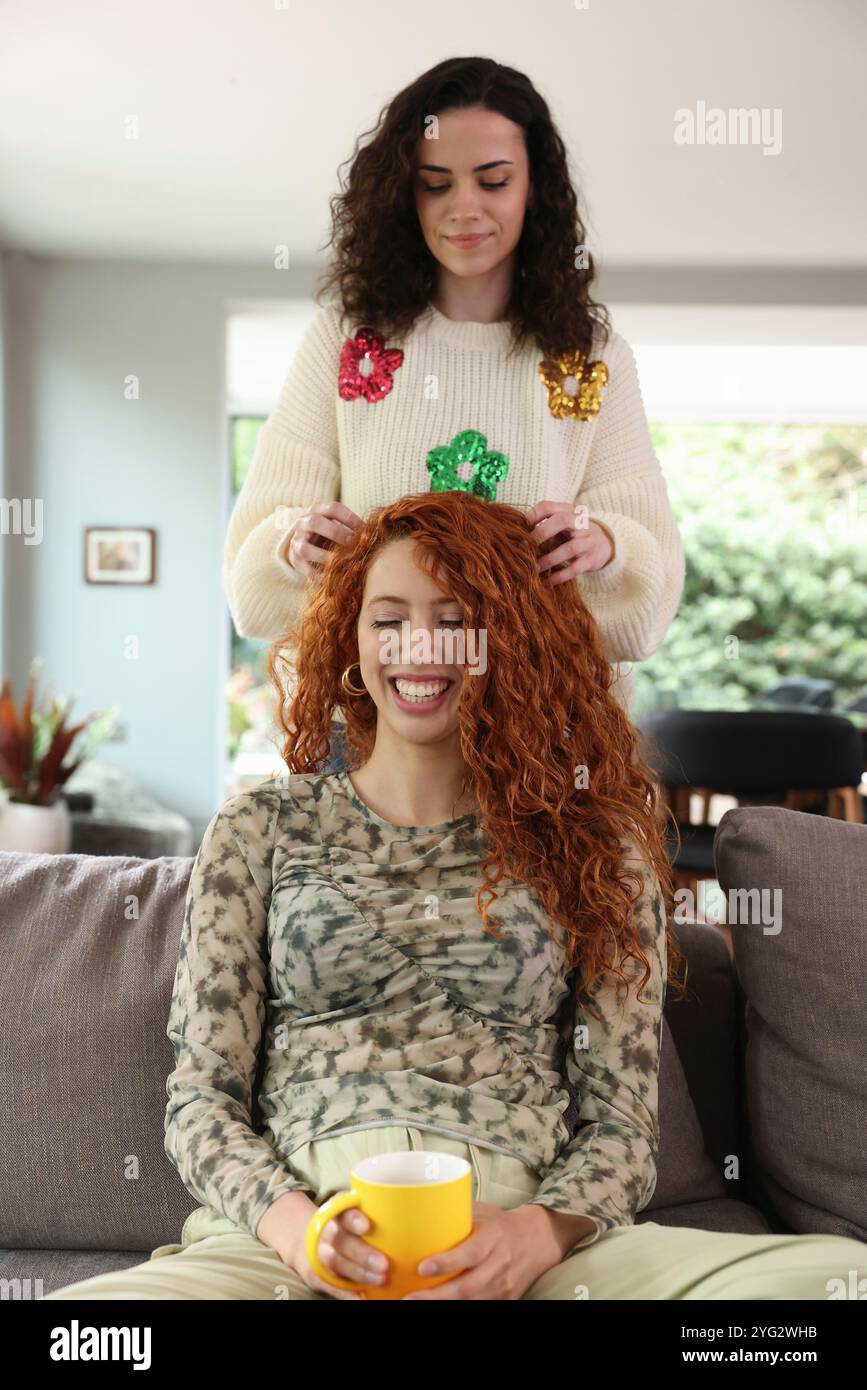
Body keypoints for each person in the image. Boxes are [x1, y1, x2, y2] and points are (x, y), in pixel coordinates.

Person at [43, 492, 866, 1300]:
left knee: (835, 1285)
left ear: (507, 638)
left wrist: (536, 1236)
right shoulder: (264, 825)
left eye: (453, 618)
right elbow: (200, 1098)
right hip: (291, 1239)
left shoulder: (595, 844)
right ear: (353, 636)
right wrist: (297, 1234)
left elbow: (622, 1125)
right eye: (388, 618)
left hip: (521, 1241)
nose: (417, 647)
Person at [222, 56, 685, 763]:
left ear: (536, 189)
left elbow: (643, 614)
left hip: (539, 741)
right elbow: (253, 598)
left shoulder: (589, 359)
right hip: (369, 739)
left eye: (492, 181)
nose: (463, 208)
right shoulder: (348, 342)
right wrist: (294, 546)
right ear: (404, 198)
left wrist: (603, 547)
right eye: (434, 184)